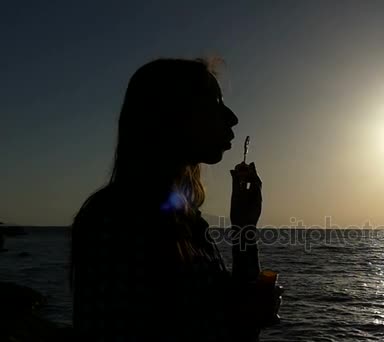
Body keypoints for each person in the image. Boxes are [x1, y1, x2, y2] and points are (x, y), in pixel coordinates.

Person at [69, 58, 279, 341]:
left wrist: (243, 226)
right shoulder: (116, 219)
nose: (232, 117)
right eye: (214, 102)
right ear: (169, 114)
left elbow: (221, 307)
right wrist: (236, 317)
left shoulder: (185, 219)